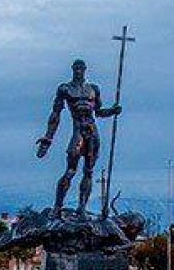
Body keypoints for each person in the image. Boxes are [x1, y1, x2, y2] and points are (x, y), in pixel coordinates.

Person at [36, 59, 121, 218]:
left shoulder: (94, 89)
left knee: (88, 171)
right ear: (72, 69)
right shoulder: (65, 89)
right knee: (70, 171)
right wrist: (48, 138)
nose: (78, 71)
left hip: (92, 131)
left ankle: (82, 208)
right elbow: (55, 115)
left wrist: (113, 111)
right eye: (76, 68)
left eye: (81, 68)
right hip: (78, 130)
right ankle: (58, 207)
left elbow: (99, 112)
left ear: (85, 70)